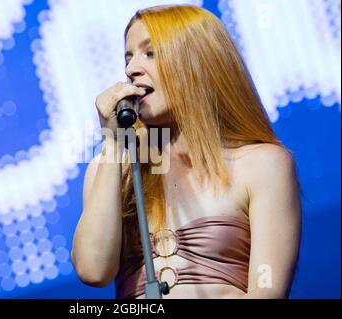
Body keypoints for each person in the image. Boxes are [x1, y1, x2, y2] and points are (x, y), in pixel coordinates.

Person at [71, 4, 301, 299]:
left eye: (150, 53)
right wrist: (114, 143)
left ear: (197, 63)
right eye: (128, 58)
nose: (131, 70)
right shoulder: (115, 170)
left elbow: (267, 291)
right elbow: (92, 270)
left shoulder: (263, 164)